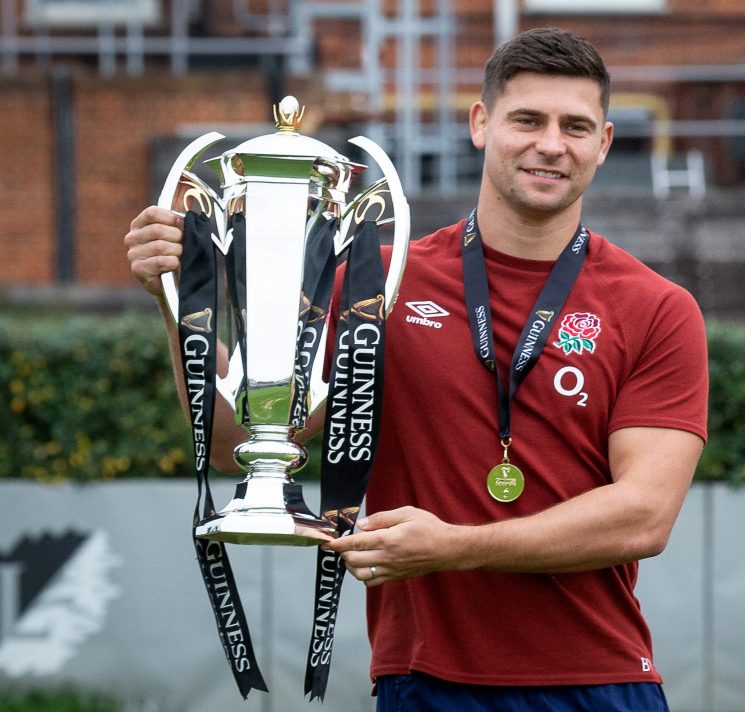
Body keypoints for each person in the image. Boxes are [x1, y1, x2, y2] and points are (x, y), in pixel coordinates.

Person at [125, 27, 707, 712]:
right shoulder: (380, 282)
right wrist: (176, 306)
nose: (551, 143)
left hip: (599, 681)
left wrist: (455, 547)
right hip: (422, 682)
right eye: (527, 119)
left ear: (604, 142)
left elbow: (643, 517)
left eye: (575, 126)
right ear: (481, 124)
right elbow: (236, 444)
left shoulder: (656, 308)